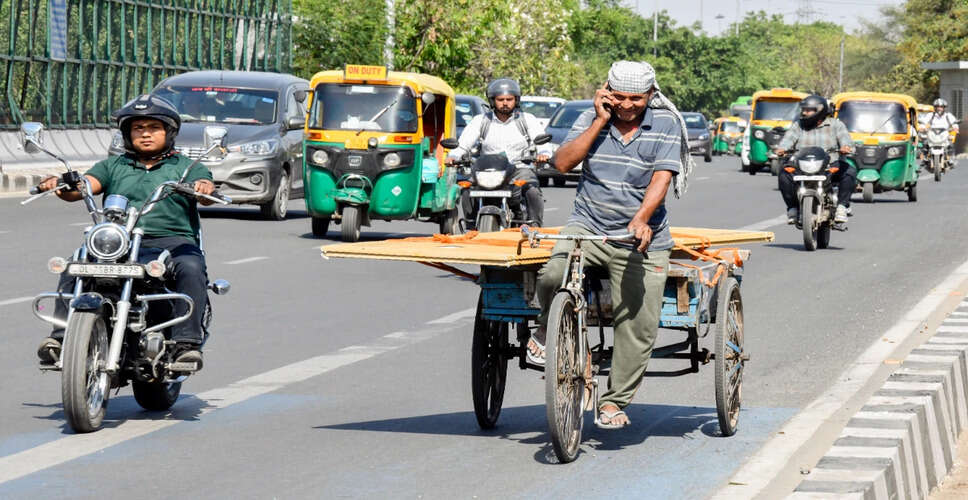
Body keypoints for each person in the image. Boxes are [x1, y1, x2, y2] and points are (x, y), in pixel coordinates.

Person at [534, 60, 690, 429]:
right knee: (552, 272)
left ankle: (614, 402)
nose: (627, 105)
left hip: (639, 236)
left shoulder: (665, 123)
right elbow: (562, 163)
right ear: (606, 92)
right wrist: (599, 120)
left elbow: (662, 178)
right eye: (618, 97)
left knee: (638, 322)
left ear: (651, 95)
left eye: (636, 98)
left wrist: (641, 220)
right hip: (586, 225)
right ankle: (544, 327)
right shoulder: (593, 119)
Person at [35, 94, 217, 370]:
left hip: (172, 241)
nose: (145, 135)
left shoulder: (186, 166)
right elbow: (85, 186)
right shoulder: (114, 165)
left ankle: (185, 345)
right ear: (127, 134)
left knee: (191, 267)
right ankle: (60, 338)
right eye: (138, 128)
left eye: (153, 128)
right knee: (76, 262)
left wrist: (203, 187)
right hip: (119, 242)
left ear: (169, 132)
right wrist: (61, 184)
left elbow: (205, 188)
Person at [445, 78, 551, 228]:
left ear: (516, 100)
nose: (505, 103)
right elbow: (463, 144)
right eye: (501, 99)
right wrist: (453, 156)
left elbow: (542, 141)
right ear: (492, 101)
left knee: (532, 190)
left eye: (509, 99)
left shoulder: (527, 120)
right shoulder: (481, 120)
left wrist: (544, 154)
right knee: (467, 189)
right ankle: (470, 227)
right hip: (487, 171)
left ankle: (535, 228)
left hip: (519, 169)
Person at [775, 94, 854, 225]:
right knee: (784, 173)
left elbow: (846, 140)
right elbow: (788, 140)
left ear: (820, 110)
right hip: (801, 166)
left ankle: (842, 207)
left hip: (830, 166)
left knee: (849, 172)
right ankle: (793, 208)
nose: (805, 113)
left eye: (808, 110)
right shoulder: (798, 125)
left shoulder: (836, 125)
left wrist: (846, 147)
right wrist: (782, 149)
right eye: (803, 110)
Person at [919, 98, 960, 164]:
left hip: (944, 134)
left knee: (950, 144)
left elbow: (954, 123)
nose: (939, 108)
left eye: (941, 107)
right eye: (937, 107)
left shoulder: (948, 115)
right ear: (935, 108)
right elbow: (924, 122)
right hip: (932, 134)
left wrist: (955, 128)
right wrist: (922, 127)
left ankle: (951, 158)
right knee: (925, 143)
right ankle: (925, 159)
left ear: (944, 108)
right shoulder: (930, 115)